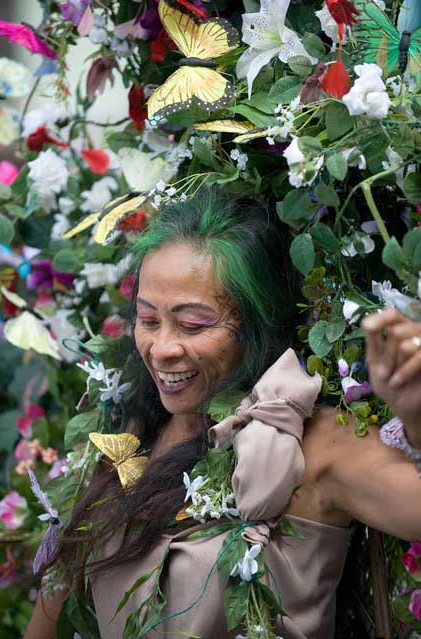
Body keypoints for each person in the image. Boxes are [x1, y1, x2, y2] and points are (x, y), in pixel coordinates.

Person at [24, 191, 421, 639]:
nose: (162, 348)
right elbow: (52, 610)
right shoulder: (127, 429)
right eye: (148, 319)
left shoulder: (309, 440)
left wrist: (416, 418)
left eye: (193, 324)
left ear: (257, 324)